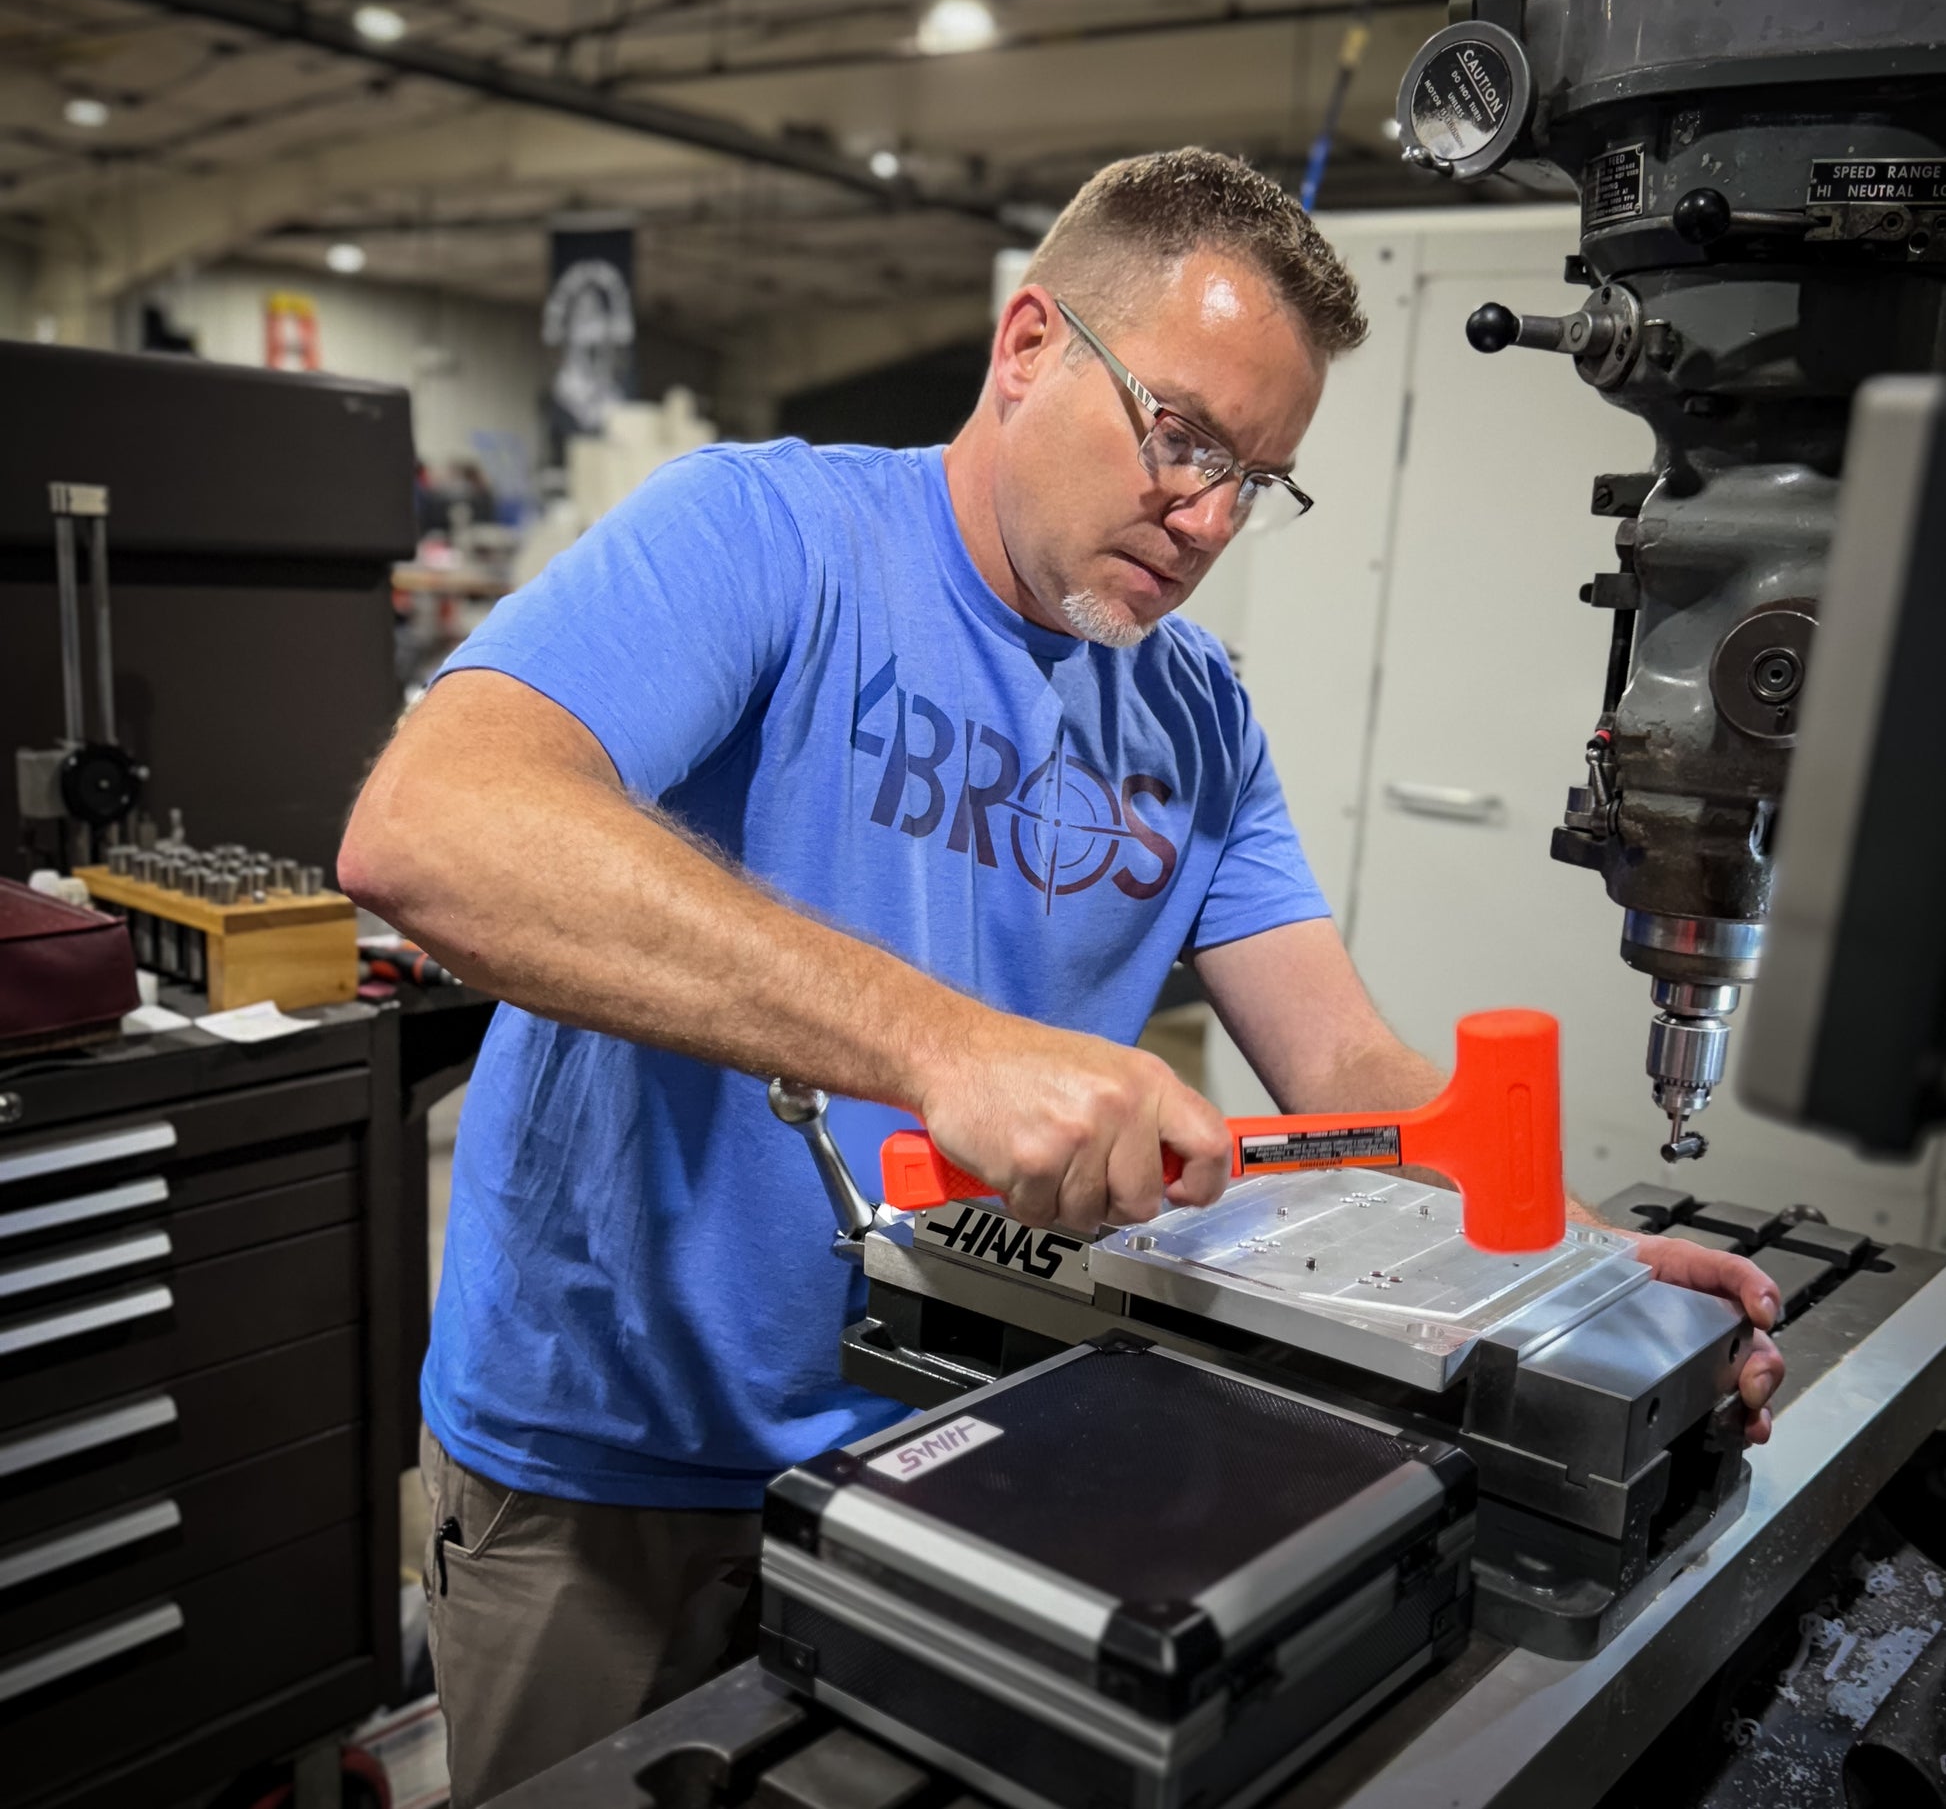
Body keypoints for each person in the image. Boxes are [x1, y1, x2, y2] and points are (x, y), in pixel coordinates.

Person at [339, 148, 1786, 1807]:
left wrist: (1592, 1274)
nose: (1210, 515)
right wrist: (948, 1047)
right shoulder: (768, 536)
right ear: (1027, 346)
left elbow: (1352, 1077)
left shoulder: (1194, 716)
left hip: (959, 1445)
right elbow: (432, 828)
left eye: (1260, 477)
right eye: (1182, 436)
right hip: (607, 1478)